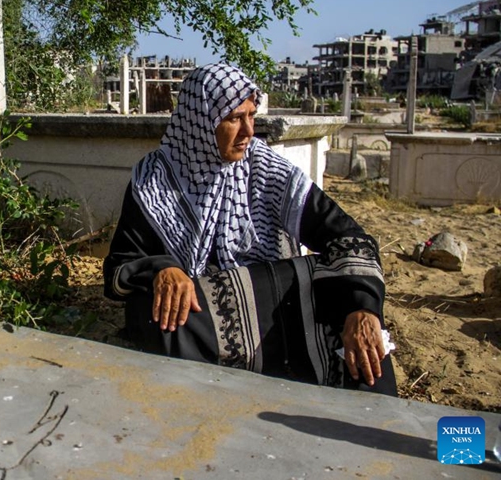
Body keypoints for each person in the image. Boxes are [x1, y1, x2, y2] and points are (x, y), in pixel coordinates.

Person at [103, 63, 397, 396]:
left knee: (346, 292)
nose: (248, 132)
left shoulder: (264, 168)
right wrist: (163, 268)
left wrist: (363, 308)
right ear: (201, 122)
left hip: (270, 301)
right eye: (233, 119)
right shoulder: (154, 180)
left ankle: (375, 419)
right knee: (160, 312)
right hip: (204, 318)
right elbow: (120, 267)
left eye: (251, 116)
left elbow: (347, 236)